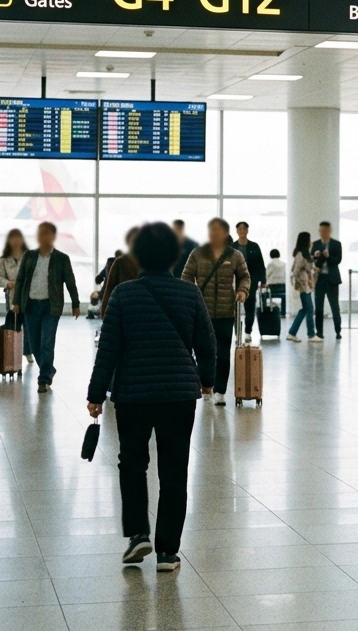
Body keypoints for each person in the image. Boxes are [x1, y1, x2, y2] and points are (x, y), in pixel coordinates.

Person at [87, 222, 218, 573]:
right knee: (174, 470)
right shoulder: (189, 294)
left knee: (132, 462)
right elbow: (207, 344)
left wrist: (96, 393)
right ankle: (167, 552)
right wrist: (206, 380)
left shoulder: (123, 295)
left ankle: (138, 535)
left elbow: (108, 350)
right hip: (178, 394)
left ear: (139, 255)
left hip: (133, 393)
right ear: (175, 256)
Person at [181, 218, 249, 405]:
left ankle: (220, 390)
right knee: (202, 351)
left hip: (226, 313)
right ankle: (206, 385)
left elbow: (244, 276)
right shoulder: (198, 254)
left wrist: (242, 291)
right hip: (202, 313)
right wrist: (190, 298)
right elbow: (186, 276)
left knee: (223, 353)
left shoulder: (235, 255)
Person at [11, 222, 82, 393]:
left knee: (47, 343)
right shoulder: (29, 256)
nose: (42, 237)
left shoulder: (61, 258)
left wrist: (76, 303)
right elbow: (20, 279)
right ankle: (48, 367)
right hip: (31, 305)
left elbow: (70, 282)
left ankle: (43, 379)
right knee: (34, 344)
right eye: (40, 233)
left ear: (52, 237)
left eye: (46, 234)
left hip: (51, 306)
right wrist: (16, 302)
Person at [0, 228, 33, 363]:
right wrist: (8, 283)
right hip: (12, 296)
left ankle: (28, 352)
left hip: (28, 297)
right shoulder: (4, 259)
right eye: (13, 239)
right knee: (13, 324)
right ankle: (11, 351)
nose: (16, 241)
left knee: (28, 325)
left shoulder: (29, 256)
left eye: (18, 238)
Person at [233, 222, 266, 343]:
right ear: (237, 231)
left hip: (251, 280)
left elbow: (260, 264)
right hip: (234, 281)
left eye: (244, 229)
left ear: (247, 230)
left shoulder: (254, 246)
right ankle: (237, 333)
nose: (242, 231)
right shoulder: (232, 247)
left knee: (250, 307)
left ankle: (248, 332)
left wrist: (263, 280)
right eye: (239, 229)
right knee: (235, 309)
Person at [100, 228, 141, 318]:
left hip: (127, 308)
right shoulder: (120, 262)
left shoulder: (121, 262)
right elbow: (110, 288)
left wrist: (105, 314)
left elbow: (109, 288)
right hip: (131, 309)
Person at [312, 221, 343, 340]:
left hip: (332, 280)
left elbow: (338, 260)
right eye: (321, 231)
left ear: (330, 231)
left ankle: (338, 331)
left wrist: (328, 256)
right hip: (320, 279)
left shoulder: (336, 244)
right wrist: (318, 257)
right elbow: (313, 261)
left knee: (335, 307)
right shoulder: (315, 244)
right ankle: (319, 332)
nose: (323, 233)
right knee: (318, 307)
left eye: (325, 231)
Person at [285, 232, 317, 342]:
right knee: (309, 309)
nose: (311, 242)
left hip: (305, 285)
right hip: (303, 286)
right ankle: (311, 334)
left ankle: (292, 332)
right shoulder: (301, 255)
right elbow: (296, 271)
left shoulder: (304, 254)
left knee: (305, 309)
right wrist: (299, 284)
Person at [266, 248, 287, 317]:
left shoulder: (270, 264)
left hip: (272, 287)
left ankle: (267, 312)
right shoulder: (284, 264)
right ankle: (283, 313)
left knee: (264, 295)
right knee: (284, 297)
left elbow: (267, 275)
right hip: (283, 286)